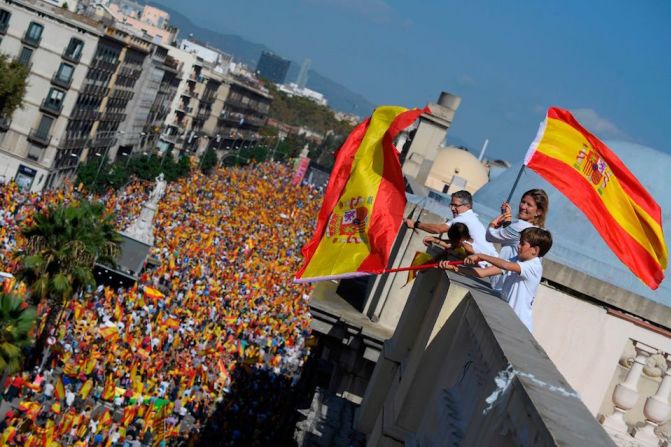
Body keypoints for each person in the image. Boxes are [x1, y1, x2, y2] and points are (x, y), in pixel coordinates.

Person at [440, 227, 553, 332]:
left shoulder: (534, 266)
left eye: (522, 244)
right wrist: (455, 268)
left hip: (519, 325)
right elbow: (483, 273)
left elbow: (505, 265)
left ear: (535, 250)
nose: (518, 246)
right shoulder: (517, 260)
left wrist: (481, 256)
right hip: (507, 319)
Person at [486, 189, 549, 290]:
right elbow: (509, 234)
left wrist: (494, 222)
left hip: (501, 286)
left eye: (529, 205)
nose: (523, 207)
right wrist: (506, 219)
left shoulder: (520, 226)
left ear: (538, 212)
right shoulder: (541, 232)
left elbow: (490, 236)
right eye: (523, 202)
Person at [406, 190, 495, 254]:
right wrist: (435, 240)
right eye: (451, 204)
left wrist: (415, 224)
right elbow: (456, 244)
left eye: (456, 205)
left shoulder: (463, 218)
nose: (452, 208)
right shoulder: (471, 217)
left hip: (486, 263)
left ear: (467, 206)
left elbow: (438, 229)